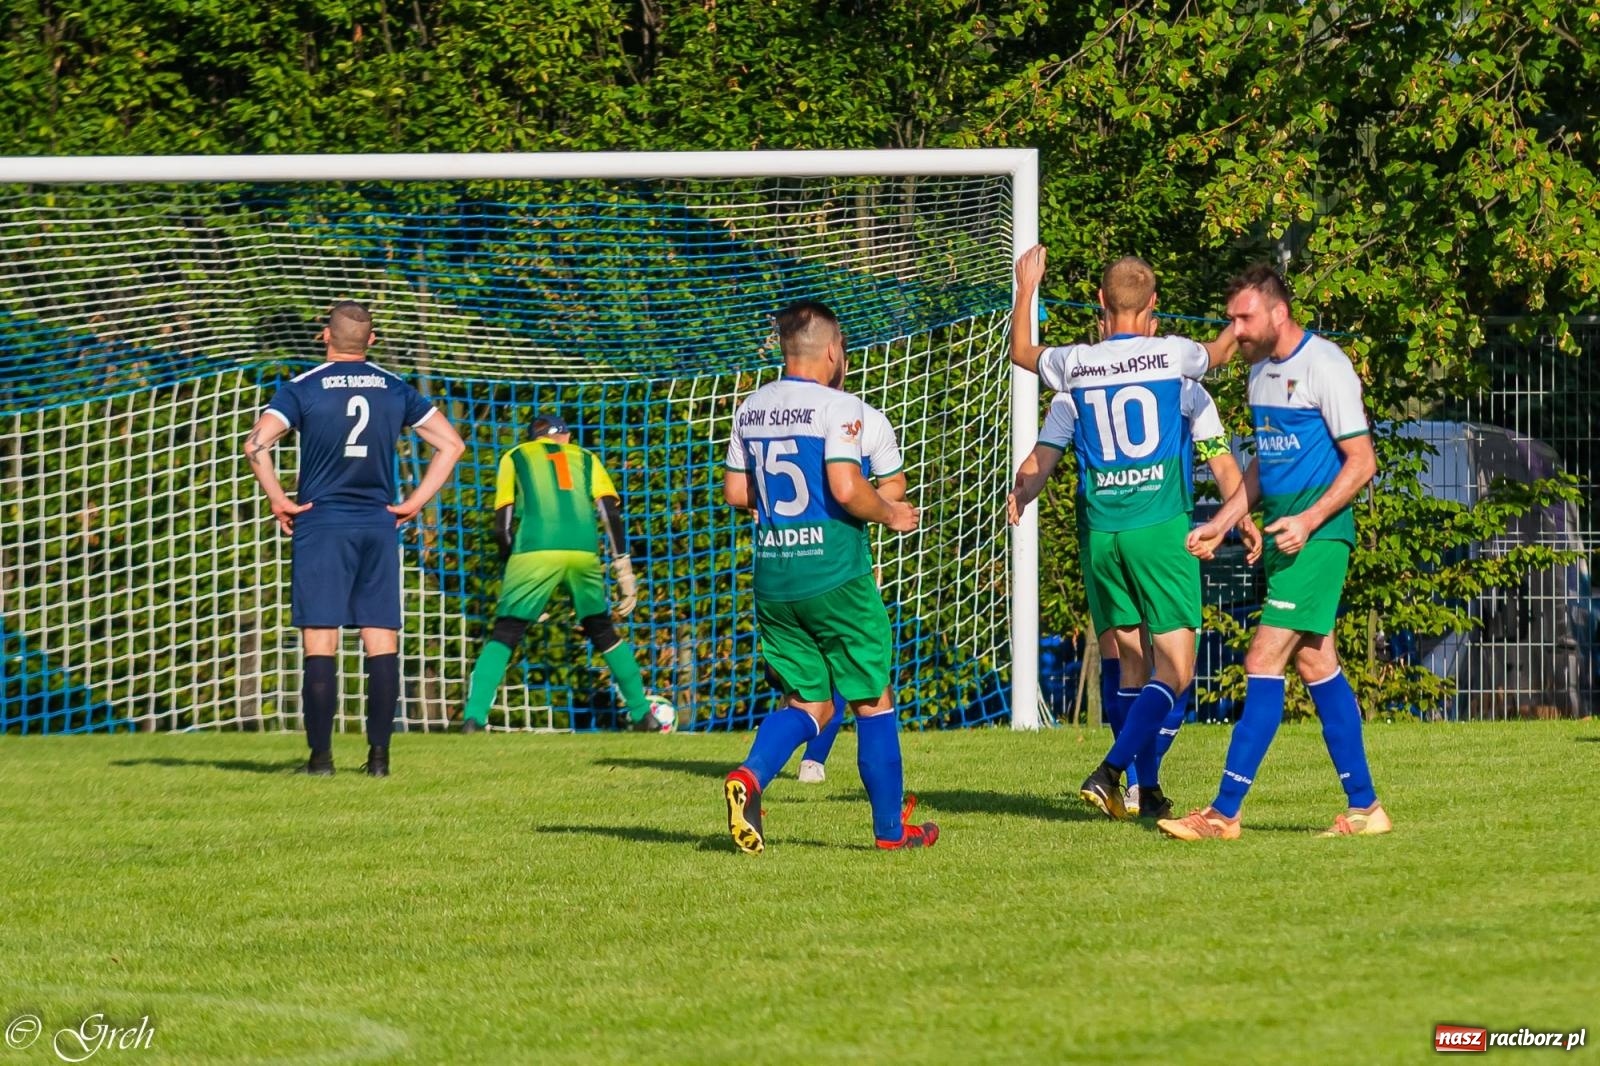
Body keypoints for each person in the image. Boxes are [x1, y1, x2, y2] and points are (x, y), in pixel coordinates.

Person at [1011, 245, 1244, 819]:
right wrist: (1243, 321)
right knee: (1177, 669)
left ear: (1100, 301)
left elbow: (1021, 360)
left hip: (1102, 535)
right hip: (1159, 528)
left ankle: (1145, 788)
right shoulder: (1176, 363)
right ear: (1154, 305)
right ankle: (1111, 772)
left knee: (1132, 664)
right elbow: (1219, 370)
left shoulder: (1075, 368)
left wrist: (1027, 287)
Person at [1161, 265, 1390, 840]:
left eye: (1244, 318)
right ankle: (1366, 808)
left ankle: (1223, 813)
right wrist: (1221, 523)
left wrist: (1310, 522)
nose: (1234, 330)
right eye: (1231, 319)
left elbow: (1363, 462)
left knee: (1262, 660)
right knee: (1316, 663)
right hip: (1289, 542)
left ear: (1278, 313)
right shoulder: (1260, 374)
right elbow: (1264, 466)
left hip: (1320, 540)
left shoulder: (1325, 365)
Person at [721, 300, 934, 853]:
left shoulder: (750, 408)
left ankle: (749, 777)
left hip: (774, 578)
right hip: (835, 575)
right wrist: (889, 514)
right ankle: (891, 831)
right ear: (834, 351)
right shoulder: (840, 408)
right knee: (872, 698)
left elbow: (737, 492)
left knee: (809, 703)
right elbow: (844, 485)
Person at [244, 301, 465, 777]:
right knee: (380, 638)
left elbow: (256, 444)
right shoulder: (395, 387)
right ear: (372, 340)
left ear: (326, 336)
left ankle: (321, 760)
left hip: (321, 524)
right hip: (377, 524)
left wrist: (278, 498)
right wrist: (415, 502)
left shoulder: (302, 387)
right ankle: (379, 760)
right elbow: (452, 445)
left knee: (320, 640)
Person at [458, 414, 658, 733]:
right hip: (582, 550)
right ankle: (643, 714)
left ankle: (474, 717)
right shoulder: (587, 457)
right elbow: (609, 512)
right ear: (564, 436)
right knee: (602, 630)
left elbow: (502, 527)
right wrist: (623, 568)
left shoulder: (515, 455)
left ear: (533, 438)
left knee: (506, 631)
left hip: (534, 550)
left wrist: (515, 569)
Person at [797, 385, 908, 783]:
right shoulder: (785, 414)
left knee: (844, 664)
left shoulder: (868, 420)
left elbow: (894, 484)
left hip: (830, 560)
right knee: (834, 671)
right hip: (814, 564)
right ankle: (887, 821)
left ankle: (798, 762)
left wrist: (866, 503)